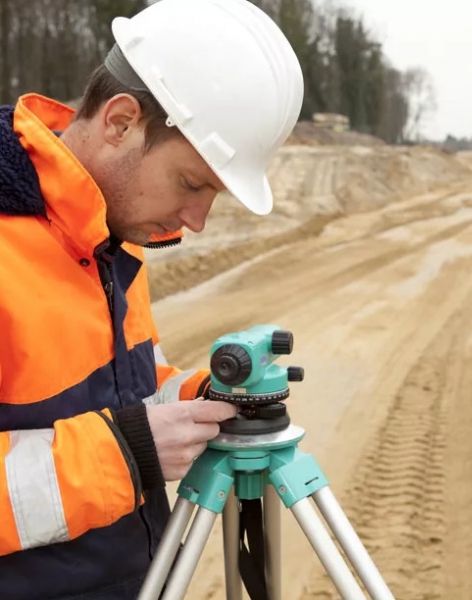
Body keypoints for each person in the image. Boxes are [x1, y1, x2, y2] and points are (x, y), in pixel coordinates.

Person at [0, 0, 303, 598]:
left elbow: (120, 396)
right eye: (192, 184)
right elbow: (122, 436)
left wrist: (198, 400)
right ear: (120, 121)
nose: (196, 221)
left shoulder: (115, 237)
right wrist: (128, 452)